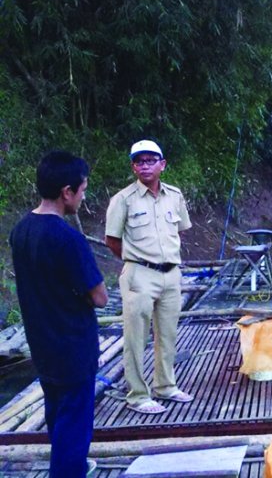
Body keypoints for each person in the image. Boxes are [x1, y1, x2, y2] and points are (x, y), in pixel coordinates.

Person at [10, 150, 108, 477]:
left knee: (58, 418)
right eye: (82, 190)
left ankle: (70, 467)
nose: (82, 197)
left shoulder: (21, 230)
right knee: (75, 429)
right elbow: (100, 297)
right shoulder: (68, 239)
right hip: (73, 348)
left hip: (43, 345)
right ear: (66, 191)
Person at [105, 140, 193, 414]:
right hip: (139, 275)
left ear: (162, 164)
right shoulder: (123, 199)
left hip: (171, 274)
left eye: (150, 160)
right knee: (136, 337)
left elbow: (180, 231)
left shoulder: (174, 196)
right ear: (133, 167)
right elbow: (112, 240)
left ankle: (165, 386)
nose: (145, 165)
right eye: (139, 161)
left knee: (167, 334)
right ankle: (138, 395)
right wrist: (137, 260)